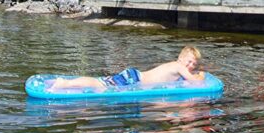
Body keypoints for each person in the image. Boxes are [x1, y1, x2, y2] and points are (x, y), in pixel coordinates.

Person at [49, 46, 205, 91]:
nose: (191, 66)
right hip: (134, 79)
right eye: (189, 62)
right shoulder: (179, 66)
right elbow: (195, 82)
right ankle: (64, 83)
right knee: (100, 84)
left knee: (101, 82)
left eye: (194, 65)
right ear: (181, 58)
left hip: (134, 76)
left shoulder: (175, 66)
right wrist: (201, 75)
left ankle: (65, 82)